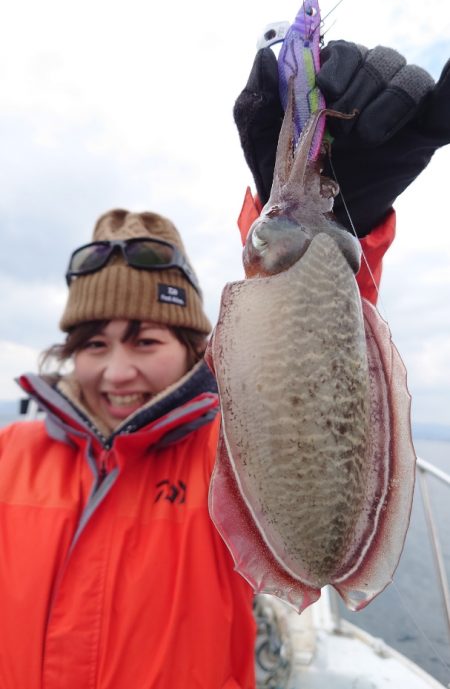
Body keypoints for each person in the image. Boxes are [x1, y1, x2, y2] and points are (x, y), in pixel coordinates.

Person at [1, 41, 449, 689]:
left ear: (194, 349)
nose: (117, 369)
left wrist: (338, 228)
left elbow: (310, 378)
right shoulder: (12, 454)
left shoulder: (225, 453)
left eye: (145, 340)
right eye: (94, 344)